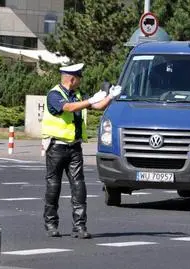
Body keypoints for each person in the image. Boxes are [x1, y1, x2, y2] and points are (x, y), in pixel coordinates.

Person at [41, 63, 121, 239]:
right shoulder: (54, 94)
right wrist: (91, 100)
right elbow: (68, 108)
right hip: (56, 147)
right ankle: (51, 224)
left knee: (79, 187)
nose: (81, 80)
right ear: (72, 78)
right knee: (53, 186)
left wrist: (110, 97)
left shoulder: (78, 95)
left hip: (75, 147)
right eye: (79, 77)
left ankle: (79, 226)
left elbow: (97, 106)